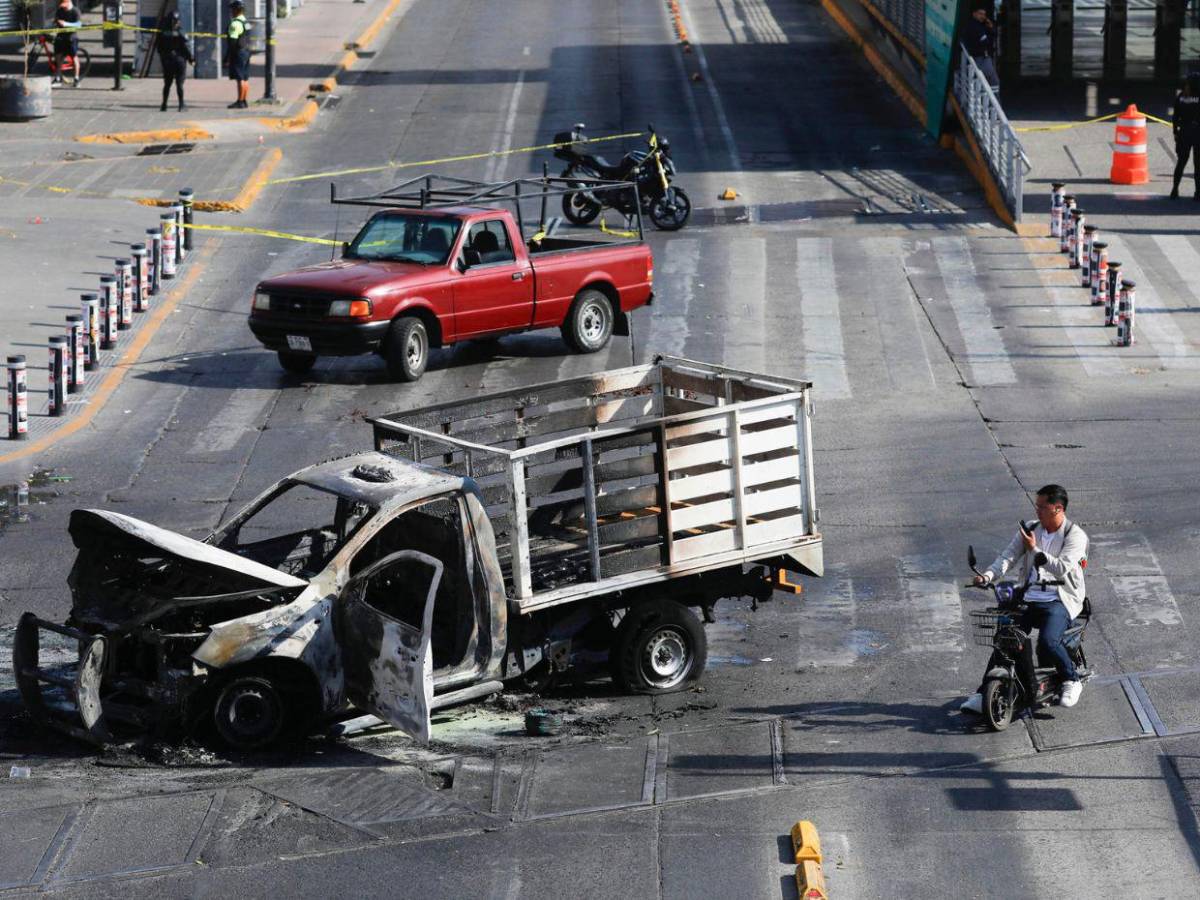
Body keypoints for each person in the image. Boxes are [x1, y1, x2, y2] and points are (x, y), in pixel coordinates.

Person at [961, 485, 1089, 714]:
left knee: (1049, 641)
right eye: (1036, 506)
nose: (1037, 510)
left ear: (1058, 508)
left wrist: (1035, 549)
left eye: (1042, 507)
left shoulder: (1075, 535)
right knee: (1005, 639)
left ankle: (1071, 679)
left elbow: (1061, 568)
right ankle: (983, 694)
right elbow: (1008, 557)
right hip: (1029, 597)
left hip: (1059, 599)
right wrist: (987, 576)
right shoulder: (1031, 528)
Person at [1171, 70, 1200, 200]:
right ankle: (1198, 193)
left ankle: (1174, 190)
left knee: (1181, 162)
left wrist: (1175, 132)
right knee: (1198, 164)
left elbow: (1175, 116)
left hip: (1184, 132)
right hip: (1197, 133)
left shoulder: (1181, 96)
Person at [157, 12, 194, 112]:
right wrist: (191, 59)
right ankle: (181, 105)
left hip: (167, 61)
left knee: (167, 84)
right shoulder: (181, 32)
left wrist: (163, 58)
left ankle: (164, 104)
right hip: (179, 61)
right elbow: (186, 48)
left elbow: (159, 48)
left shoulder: (162, 32)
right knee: (179, 84)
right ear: (178, 21)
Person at [962, 2, 1000, 97]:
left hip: (982, 58)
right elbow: (986, 42)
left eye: (984, 14)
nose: (983, 16)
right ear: (974, 14)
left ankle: (988, 101)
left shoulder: (981, 26)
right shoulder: (974, 26)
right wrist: (990, 32)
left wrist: (990, 28)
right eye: (980, 14)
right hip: (980, 58)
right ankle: (993, 102)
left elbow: (991, 37)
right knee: (993, 82)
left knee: (987, 82)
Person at [226, 0, 252, 109]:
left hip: (238, 52)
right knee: (245, 78)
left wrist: (227, 57)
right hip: (246, 51)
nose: (231, 11)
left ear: (236, 10)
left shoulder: (235, 24)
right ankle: (244, 100)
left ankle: (240, 101)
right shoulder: (246, 22)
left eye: (232, 9)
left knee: (239, 78)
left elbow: (232, 42)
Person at [52, 0, 82, 88]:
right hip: (61, 37)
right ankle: (58, 78)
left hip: (71, 38)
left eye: (64, 5)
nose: (63, 7)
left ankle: (76, 79)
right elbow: (56, 20)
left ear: (69, 2)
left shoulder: (75, 11)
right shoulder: (60, 10)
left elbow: (78, 25)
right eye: (62, 5)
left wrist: (65, 23)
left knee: (74, 57)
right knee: (58, 57)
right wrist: (56, 22)